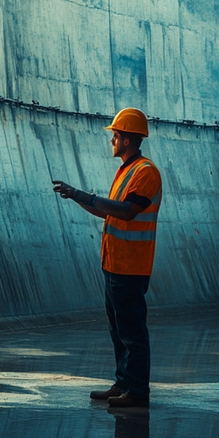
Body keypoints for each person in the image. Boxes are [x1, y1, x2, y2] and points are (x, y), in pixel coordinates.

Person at [52, 108, 162, 409]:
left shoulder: (145, 172)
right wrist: (77, 196)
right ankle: (123, 383)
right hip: (114, 265)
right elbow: (108, 210)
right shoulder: (126, 171)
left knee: (132, 331)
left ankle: (137, 391)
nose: (112, 139)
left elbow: (127, 211)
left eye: (116, 134)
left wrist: (83, 194)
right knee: (118, 329)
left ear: (128, 139)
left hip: (131, 266)